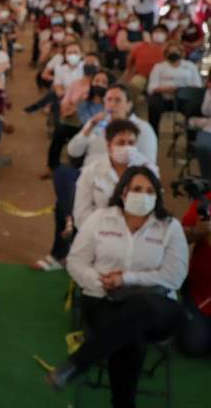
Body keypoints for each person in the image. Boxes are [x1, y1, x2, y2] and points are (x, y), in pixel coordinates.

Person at [49, 167, 188, 408]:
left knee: (141, 309)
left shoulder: (169, 227)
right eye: (136, 189)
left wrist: (126, 280)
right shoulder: (99, 219)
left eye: (149, 191)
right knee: (130, 335)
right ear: (123, 193)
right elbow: (76, 262)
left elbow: (174, 276)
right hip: (104, 300)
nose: (143, 195)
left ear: (157, 196)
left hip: (159, 306)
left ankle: (77, 363)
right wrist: (102, 282)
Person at [73, 119, 158, 230]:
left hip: (138, 233)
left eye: (131, 143)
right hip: (98, 233)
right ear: (108, 145)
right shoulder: (91, 171)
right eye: (121, 142)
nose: (127, 147)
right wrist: (107, 234)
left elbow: (154, 209)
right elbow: (81, 214)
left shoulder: (148, 170)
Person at [68, 84, 157, 166]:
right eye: (109, 100)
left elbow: (148, 164)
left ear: (128, 105)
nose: (112, 104)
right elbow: (73, 152)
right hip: (90, 174)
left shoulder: (142, 128)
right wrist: (88, 127)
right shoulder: (96, 124)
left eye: (118, 100)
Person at [179, 187, 211, 356]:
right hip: (201, 293)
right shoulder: (206, 202)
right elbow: (179, 236)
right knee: (194, 345)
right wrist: (197, 231)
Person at [146, 42, 203, 134]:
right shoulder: (159, 67)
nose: (173, 54)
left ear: (181, 52)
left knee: (195, 107)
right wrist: (167, 89)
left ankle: (192, 139)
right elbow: (151, 88)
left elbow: (198, 86)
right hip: (164, 98)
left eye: (176, 51)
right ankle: (153, 134)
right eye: (170, 52)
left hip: (185, 99)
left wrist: (183, 90)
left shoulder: (190, 66)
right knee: (153, 105)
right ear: (166, 53)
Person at [125, 24, 167, 102]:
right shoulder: (141, 46)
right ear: (151, 34)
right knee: (134, 85)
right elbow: (130, 62)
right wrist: (129, 74)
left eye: (162, 32)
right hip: (141, 76)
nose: (159, 34)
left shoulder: (169, 48)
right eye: (156, 32)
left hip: (161, 79)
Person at [190, 76, 211, 181]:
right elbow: (205, 111)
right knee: (203, 147)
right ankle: (207, 183)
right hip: (209, 129)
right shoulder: (209, 91)